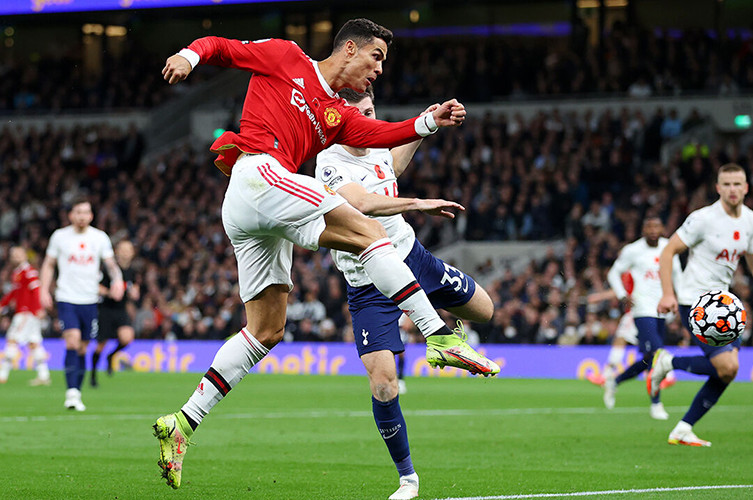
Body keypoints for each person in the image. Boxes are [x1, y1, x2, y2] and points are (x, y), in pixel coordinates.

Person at [153, 18, 500, 490]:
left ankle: (183, 423)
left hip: (258, 209)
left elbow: (382, 136)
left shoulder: (336, 114)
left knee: (266, 330)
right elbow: (222, 46)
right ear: (351, 48)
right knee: (369, 234)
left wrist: (428, 122)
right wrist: (189, 56)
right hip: (258, 173)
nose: (379, 69)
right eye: (376, 58)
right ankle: (437, 334)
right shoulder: (287, 56)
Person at [315, 87, 495, 499]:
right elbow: (362, 202)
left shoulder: (377, 143)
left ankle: (449, 333)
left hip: (413, 257)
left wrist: (427, 123)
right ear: (340, 118)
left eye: (371, 110)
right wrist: (418, 203)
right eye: (359, 112)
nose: (368, 117)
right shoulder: (328, 162)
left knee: (485, 310)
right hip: (369, 282)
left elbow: (389, 168)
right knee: (383, 384)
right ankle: (408, 478)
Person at [652, 164, 753, 446]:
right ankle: (668, 362)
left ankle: (683, 427)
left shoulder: (750, 221)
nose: (733, 189)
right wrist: (667, 293)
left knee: (730, 369)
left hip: (723, 303)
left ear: (747, 187)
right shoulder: (703, 219)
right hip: (695, 300)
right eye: (727, 184)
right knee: (725, 366)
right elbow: (668, 251)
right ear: (718, 188)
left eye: (738, 184)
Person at [587, 218, 681, 419]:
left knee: (649, 359)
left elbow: (677, 275)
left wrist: (679, 301)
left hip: (662, 308)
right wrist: (622, 295)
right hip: (642, 308)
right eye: (649, 227)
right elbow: (614, 272)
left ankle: (615, 380)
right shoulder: (633, 250)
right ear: (643, 230)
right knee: (657, 354)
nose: (653, 230)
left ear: (662, 228)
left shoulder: (669, 247)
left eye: (657, 226)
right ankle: (656, 404)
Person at [40, 197, 125, 411]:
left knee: (83, 348)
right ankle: (70, 393)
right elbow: (49, 265)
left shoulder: (99, 238)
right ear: (70, 215)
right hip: (66, 297)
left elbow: (111, 264)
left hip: (90, 300)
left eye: (86, 212)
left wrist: (117, 281)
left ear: (91, 215)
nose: (82, 216)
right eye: (78, 212)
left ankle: (76, 392)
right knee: (72, 341)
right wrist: (43, 290)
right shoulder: (60, 237)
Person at [90, 240, 139, 387]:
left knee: (127, 338)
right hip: (106, 310)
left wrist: (135, 292)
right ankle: (93, 375)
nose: (125, 252)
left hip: (121, 310)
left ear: (132, 253)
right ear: (116, 251)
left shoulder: (132, 271)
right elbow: (96, 286)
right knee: (100, 346)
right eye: (122, 249)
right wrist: (109, 292)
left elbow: (134, 287)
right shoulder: (108, 269)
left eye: (128, 249)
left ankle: (112, 356)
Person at [0, 246, 50, 386]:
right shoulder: (18, 272)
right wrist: (2, 304)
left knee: (12, 339)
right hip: (25, 312)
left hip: (26, 312)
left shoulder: (29, 271)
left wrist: (38, 308)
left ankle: (2, 374)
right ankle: (44, 375)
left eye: (18, 254)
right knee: (34, 343)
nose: (15, 257)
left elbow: (36, 290)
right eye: (13, 255)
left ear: (25, 256)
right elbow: (14, 293)